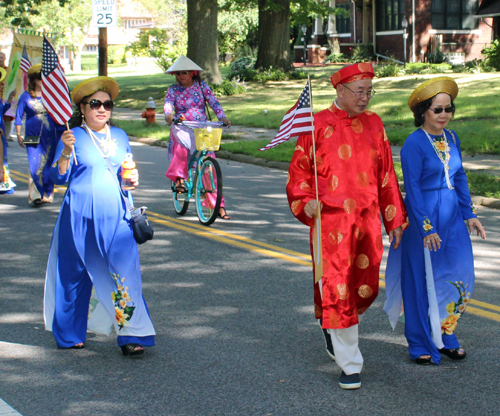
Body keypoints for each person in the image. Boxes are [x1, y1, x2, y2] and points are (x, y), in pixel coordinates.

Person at [286, 63, 407, 390]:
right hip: (330, 224)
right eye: (359, 91)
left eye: (370, 91)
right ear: (340, 91)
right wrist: (306, 199)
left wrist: (394, 218)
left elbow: (386, 175)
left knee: (361, 286)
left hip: (366, 221)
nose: (365, 98)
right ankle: (350, 363)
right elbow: (299, 173)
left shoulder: (374, 124)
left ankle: (333, 324)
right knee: (337, 286)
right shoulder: (316, 125)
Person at [44, 76, 156, 357]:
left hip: (117, 214)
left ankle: (130, 335)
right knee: (74, 273)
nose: (102, 108)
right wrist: (66, 152)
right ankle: (69, 333)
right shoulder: (73, 137)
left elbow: (125, 169)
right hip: (79, 214)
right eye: (95, 103)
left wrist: (131, 178)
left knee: (124, 272)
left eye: (107, 104)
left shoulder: (119, 135)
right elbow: (57, 178)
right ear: (82, 108)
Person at [384, 77, 486, 366]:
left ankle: (445, 331)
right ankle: (419, 342)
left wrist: (470, 214)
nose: (444, 115)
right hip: (422, 219)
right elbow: (412, 189)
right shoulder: (414, 144)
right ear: (423, 112)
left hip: (452, 216)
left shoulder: (451, 138)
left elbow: (460, 176)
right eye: (437, 110)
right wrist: (425, 227)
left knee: (460, 273)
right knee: (420, 280)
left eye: (448, 109)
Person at [164, 55, 232, 219]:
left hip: (202, 128)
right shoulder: (173, 89)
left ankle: (217, 205)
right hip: (182, 126)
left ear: (192, 73)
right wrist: (168, 114)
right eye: (178, 73)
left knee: (209, 166)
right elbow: (168, 103)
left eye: (184, 72)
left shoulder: (202, 87)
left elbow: (214, 103)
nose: (181, 76)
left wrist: (222, 117)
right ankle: (180, 179)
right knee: (180, 150)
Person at [15, 63, 63, 206]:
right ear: (33, 80)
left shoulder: (51, 96)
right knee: (34, 163)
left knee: (48, 162)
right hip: (32, 133)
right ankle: (35, 195)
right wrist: (18, 134)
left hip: (49, 133)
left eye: (44, 78)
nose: (42, 81)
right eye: (39, 79)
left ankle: (48, 194)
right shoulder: (25, 96)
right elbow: (18, 116)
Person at [0, 68, 16, 194]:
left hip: (1, 133)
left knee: (3, 157)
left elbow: (3, 110)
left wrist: (10, 99)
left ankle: (3, 182)